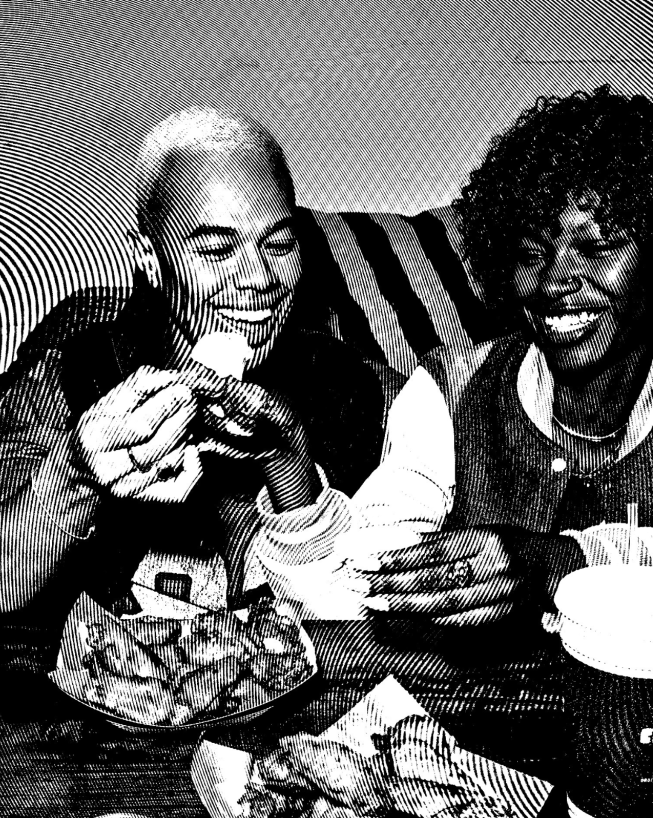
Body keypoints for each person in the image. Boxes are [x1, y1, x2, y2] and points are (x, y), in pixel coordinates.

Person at [0, 107, 394, 676]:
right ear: (150, 258)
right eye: (215, 250)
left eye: (279, 245)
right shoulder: (68, 374)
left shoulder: (344, 382)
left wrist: (288, 466)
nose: (260, 278)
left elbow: (365, 615)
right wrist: (77, 476)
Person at [256, 85, 653, 632]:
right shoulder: (453, 387)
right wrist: (290, 468)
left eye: (598, 248)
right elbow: (358, 576)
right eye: (531, 253)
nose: (554, 281)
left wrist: (565, 562)